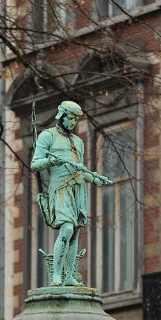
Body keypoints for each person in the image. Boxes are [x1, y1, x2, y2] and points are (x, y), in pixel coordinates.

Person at [31, 100, 110, 286]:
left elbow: (80, 172)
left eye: (76, 119)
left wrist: (95, 179)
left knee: (75, 234)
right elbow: (35, 164)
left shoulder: (78, 142)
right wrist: (52, 162)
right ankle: (57, 274)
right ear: (61, 116)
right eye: (71, 117)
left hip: (78, 189)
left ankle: (69, 276)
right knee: (66, 228)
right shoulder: (47, 136)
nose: (73, 122)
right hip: (60, 188)